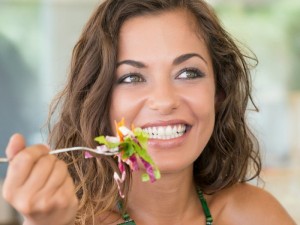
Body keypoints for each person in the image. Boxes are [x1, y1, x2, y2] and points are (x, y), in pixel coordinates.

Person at [2, 0, 296, 224]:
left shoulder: (255, 214)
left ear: (218, 91)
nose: (165, 100)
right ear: (100, 99)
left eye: (188, 73)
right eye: (132, 78)